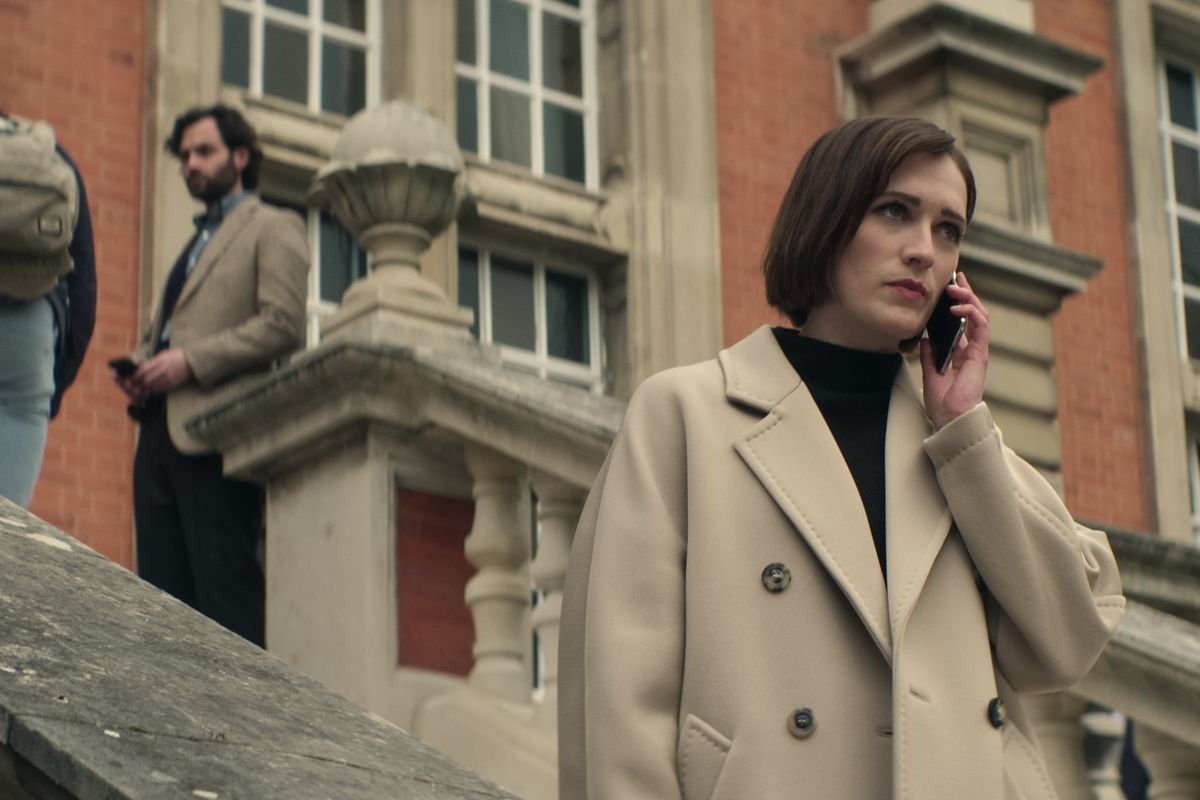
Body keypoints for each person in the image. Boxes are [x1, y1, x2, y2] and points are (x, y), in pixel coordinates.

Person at [558, 116, 1124, 799]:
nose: (924, 250)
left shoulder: (952, 447)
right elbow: (624, 710)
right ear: (825, 221)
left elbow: (1070, 637)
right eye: (895, 212)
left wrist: (963, 429)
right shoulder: (686, 415)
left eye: (948, 230)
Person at [113, 104, 309, 646]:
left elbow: (283, 324)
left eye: (204, 151)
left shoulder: (275, 226)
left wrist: (189, 362)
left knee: (227, 600)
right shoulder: (194, 242)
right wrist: (143, 363)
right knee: (159, 608)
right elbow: (173, 328)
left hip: (219, 439)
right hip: (157, 435)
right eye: (185, 156)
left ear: (240, 156)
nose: (190, 165)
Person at [0, 109, 96, 507]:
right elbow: (84, 288)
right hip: (31, 330)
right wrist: (52, 387)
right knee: (8, 533)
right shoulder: (46, 150)